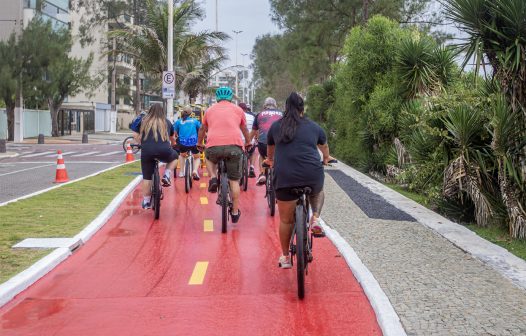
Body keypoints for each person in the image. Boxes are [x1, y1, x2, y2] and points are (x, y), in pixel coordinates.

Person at [265, 92, 330, 269]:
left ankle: (285, 257)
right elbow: (324, 147)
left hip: (285, 177)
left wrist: (270, 161)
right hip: (311, 174)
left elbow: (270, 151)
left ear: (286, 108)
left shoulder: (276, 127)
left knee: (286, 221)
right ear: (302, 109)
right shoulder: (314, 127)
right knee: (317, 190)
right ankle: (315, 218)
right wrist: (326, 158)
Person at [197, 87, 251, 223]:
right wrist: (248, 142)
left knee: (207, 156)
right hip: (234, 147)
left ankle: (213, 177)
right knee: (234, 181)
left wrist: (199, 142)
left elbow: (203, 129)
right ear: (231, 98)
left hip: (213, 146)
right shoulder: (238, 110)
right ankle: (234, 212)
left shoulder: (209, 110)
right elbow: (244, 128)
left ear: (217, 98)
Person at [130, 103, 179, 209]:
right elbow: (172, 138)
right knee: (175, 156)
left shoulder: (144, 120)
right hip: (164, 151)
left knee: (147, 178)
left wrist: (140, 141)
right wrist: (174, 145)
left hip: (147, 151)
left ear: (150, 111)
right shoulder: (167, 122)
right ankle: (166, 175)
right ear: (162, 111)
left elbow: (134, 134)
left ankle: (147, 202)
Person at [249, 97, 283, 185]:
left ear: (264, 106)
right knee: (280, 156)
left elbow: (253, 131)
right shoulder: (282, 114)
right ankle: (280, 174)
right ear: (275, 106)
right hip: (279, 143)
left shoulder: (259, 115)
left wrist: (247, 142)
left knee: (261, 155)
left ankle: (262, 174)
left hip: (264, 143)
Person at [174, 106, 202, 180]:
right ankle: (195, 171)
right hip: (193, 143)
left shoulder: (178, 121)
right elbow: (200, 130)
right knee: (197, 157)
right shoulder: (195, 121)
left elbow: (175, 133)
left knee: (182, 155)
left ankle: (181, 172)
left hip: (182, 144)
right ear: (190, 113)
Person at [238, 102, 257, 178]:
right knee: (253, 152)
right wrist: (256, 138)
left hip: (238, 141)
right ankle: (251, 167)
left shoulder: (236, 116)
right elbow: (256, 130)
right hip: (249, 140)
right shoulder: (252, 117)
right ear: (246, 109)